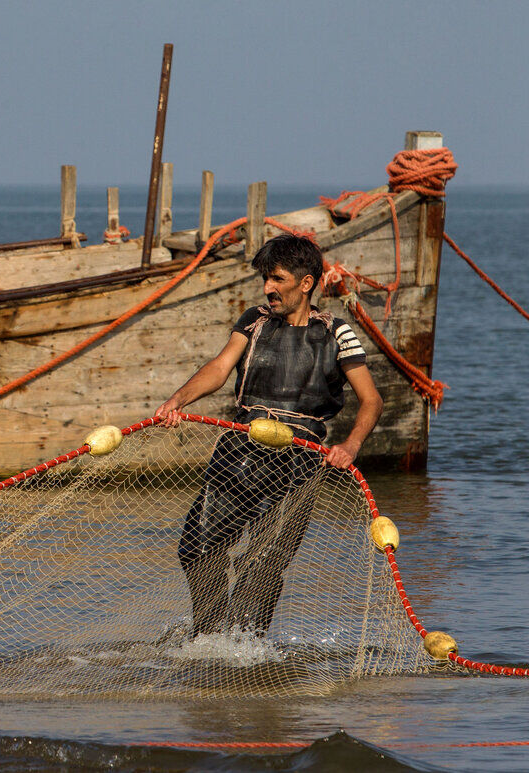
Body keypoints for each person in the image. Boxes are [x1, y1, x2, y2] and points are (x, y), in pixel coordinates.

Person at [153, 234, 383, 638]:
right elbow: (221, 366)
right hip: (240, 447)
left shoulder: (337, 332)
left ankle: (246, 648)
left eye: (276, 279)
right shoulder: (253, 320)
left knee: (263, 560)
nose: (268, 288)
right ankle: (207, 639)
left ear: (306, 282)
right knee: (197, 547)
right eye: (265, 279)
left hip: (299, 457)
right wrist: (179, 399)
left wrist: (350, 446)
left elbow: (371, 400)